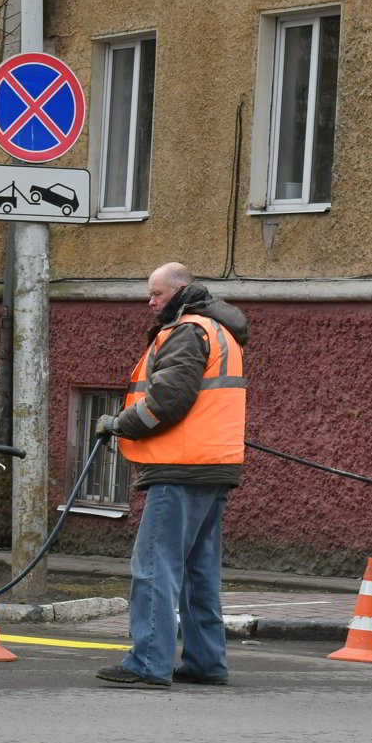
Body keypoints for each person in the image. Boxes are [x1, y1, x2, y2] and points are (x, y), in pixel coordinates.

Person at [92, 262, 248, 688]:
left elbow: (167, 400)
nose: (150, 302)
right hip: (214, 466)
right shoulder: (220, 330)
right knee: (199, 572)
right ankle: (206, 662)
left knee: (154, 566)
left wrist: (119, 424)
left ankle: (148, 662)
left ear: (179, 291)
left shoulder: (188, 330)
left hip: (180, 467)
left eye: (156, 294)